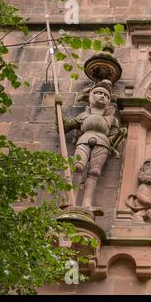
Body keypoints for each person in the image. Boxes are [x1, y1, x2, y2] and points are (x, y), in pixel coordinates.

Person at [63, 79, 126, 212]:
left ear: (109, 100)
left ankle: (87, 203)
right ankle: (71, 200)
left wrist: (120, 134)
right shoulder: (84, 115)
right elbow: (65, 126)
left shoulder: (112, 118)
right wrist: (56, 110)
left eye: (106, 95)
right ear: (91, 96)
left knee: (94, 172)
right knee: (78, 166)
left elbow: (112, 137)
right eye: (98, 93)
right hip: (84, 139)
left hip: (102, 142)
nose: (102, 96)